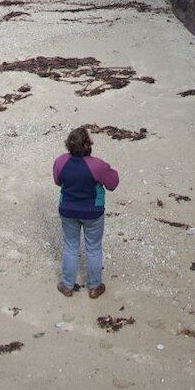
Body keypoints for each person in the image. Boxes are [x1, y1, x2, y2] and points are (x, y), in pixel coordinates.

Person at [53, 125, 119, 298]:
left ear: (69, 145)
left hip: (68, 209)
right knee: (93, 248)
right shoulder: (97, 165)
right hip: (92, 212)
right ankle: (94, 286)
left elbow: (58, 181)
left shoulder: (61, 161)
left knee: (70, 246)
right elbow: (113, 183)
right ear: (88, 145)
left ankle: (67, 285)